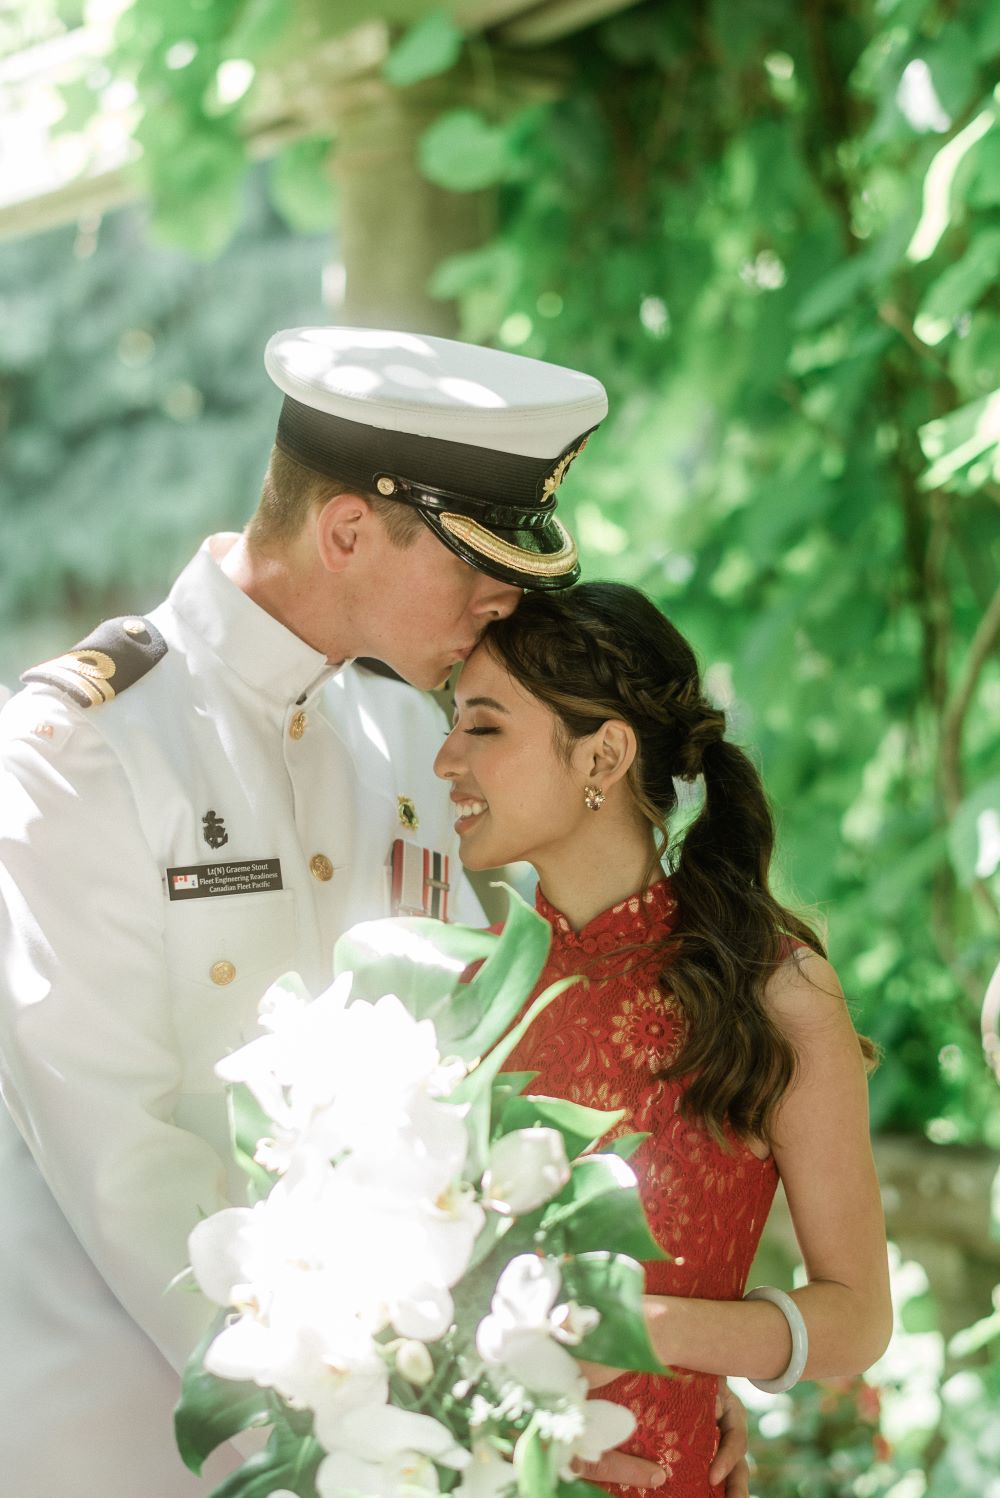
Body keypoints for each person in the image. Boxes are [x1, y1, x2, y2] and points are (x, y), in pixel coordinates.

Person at [0, 326, 635, 1495]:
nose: (503, 599)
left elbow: (494, 1078)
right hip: (133, 1441)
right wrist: (336, 1429)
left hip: (387, 1434)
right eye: (474, 558)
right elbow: (123, 1162)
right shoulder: (77, 750)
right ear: (345, 530)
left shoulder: (411, 745)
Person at [435, 581, 893, 1497]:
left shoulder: (772, 990)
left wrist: (661, 1329)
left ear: (602, 753)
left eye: (483, 727)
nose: (446, 758)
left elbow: (858, 1318)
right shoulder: (466, 989)